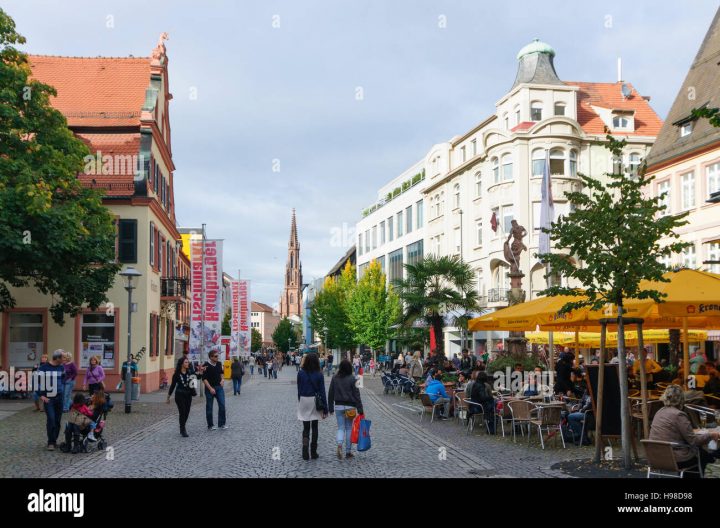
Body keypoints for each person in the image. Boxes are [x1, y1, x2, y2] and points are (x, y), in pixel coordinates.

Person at [649, 384, 720, 477]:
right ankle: (713, 456)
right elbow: (693, 441)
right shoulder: (678, 415)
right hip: (675, 459)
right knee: (702, 454)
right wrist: (711, 435)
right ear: (682, 398)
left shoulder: (659, 412)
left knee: (703, 455)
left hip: (656, 458)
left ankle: (713, 455)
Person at [328, 359, 364, 460]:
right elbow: (357, 395)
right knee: (349, 428)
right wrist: (360, 409)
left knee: (340, 428)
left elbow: (330, 393)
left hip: (338, 406)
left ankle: (339, 444)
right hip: (350, 407)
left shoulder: (335, 378)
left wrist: (330, 407)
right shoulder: (353, 378)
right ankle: (348, 452)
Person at [296, 353, 328, 460]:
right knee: (315, 427)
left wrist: (300, 401)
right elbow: (322, 392)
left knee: (305, 427)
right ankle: (313, 452)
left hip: (304, 399)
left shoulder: (300, 373)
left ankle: (305, 451)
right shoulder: (319, 374)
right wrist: (325, 408)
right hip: (314, 400)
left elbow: (299, 389)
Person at [36, 350, 66, 450]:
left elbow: (63, 380)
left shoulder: (61, 367)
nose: (64, 359)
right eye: (63, 358)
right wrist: (41, 395)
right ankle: (51, 442)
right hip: (49, 399)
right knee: (51, 419)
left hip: (59, 398)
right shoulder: (43, 368)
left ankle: (54, 440)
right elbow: (36, 382)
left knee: (57, 421)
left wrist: (61, 390)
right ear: (57, 358)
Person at [167, 357, 195, 437]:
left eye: (188, 362)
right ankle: (183, 429)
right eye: (186, 362)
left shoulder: (190, 372)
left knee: (187, 412)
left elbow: (195, 380)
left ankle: (182, 426)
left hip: (188, 395)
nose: (188, 364)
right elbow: (172, 385)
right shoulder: (176, 374)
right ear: (182, 364)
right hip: (179, 395)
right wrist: (168, 397)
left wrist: (199, 373)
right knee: (182, 412)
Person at [202, 350, 227, 430]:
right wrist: (210, 388)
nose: (217, 357)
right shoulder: (206, 365)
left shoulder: (219, 364)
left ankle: (222, 423)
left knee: (222, 405)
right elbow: (204, 379)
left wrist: (222, 380)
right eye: (215, 356)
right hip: (209, 388)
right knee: (209, 407)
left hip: (219, 387)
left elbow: (221, 373)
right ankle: (210, 425)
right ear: (211, 357)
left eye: (217, 356)